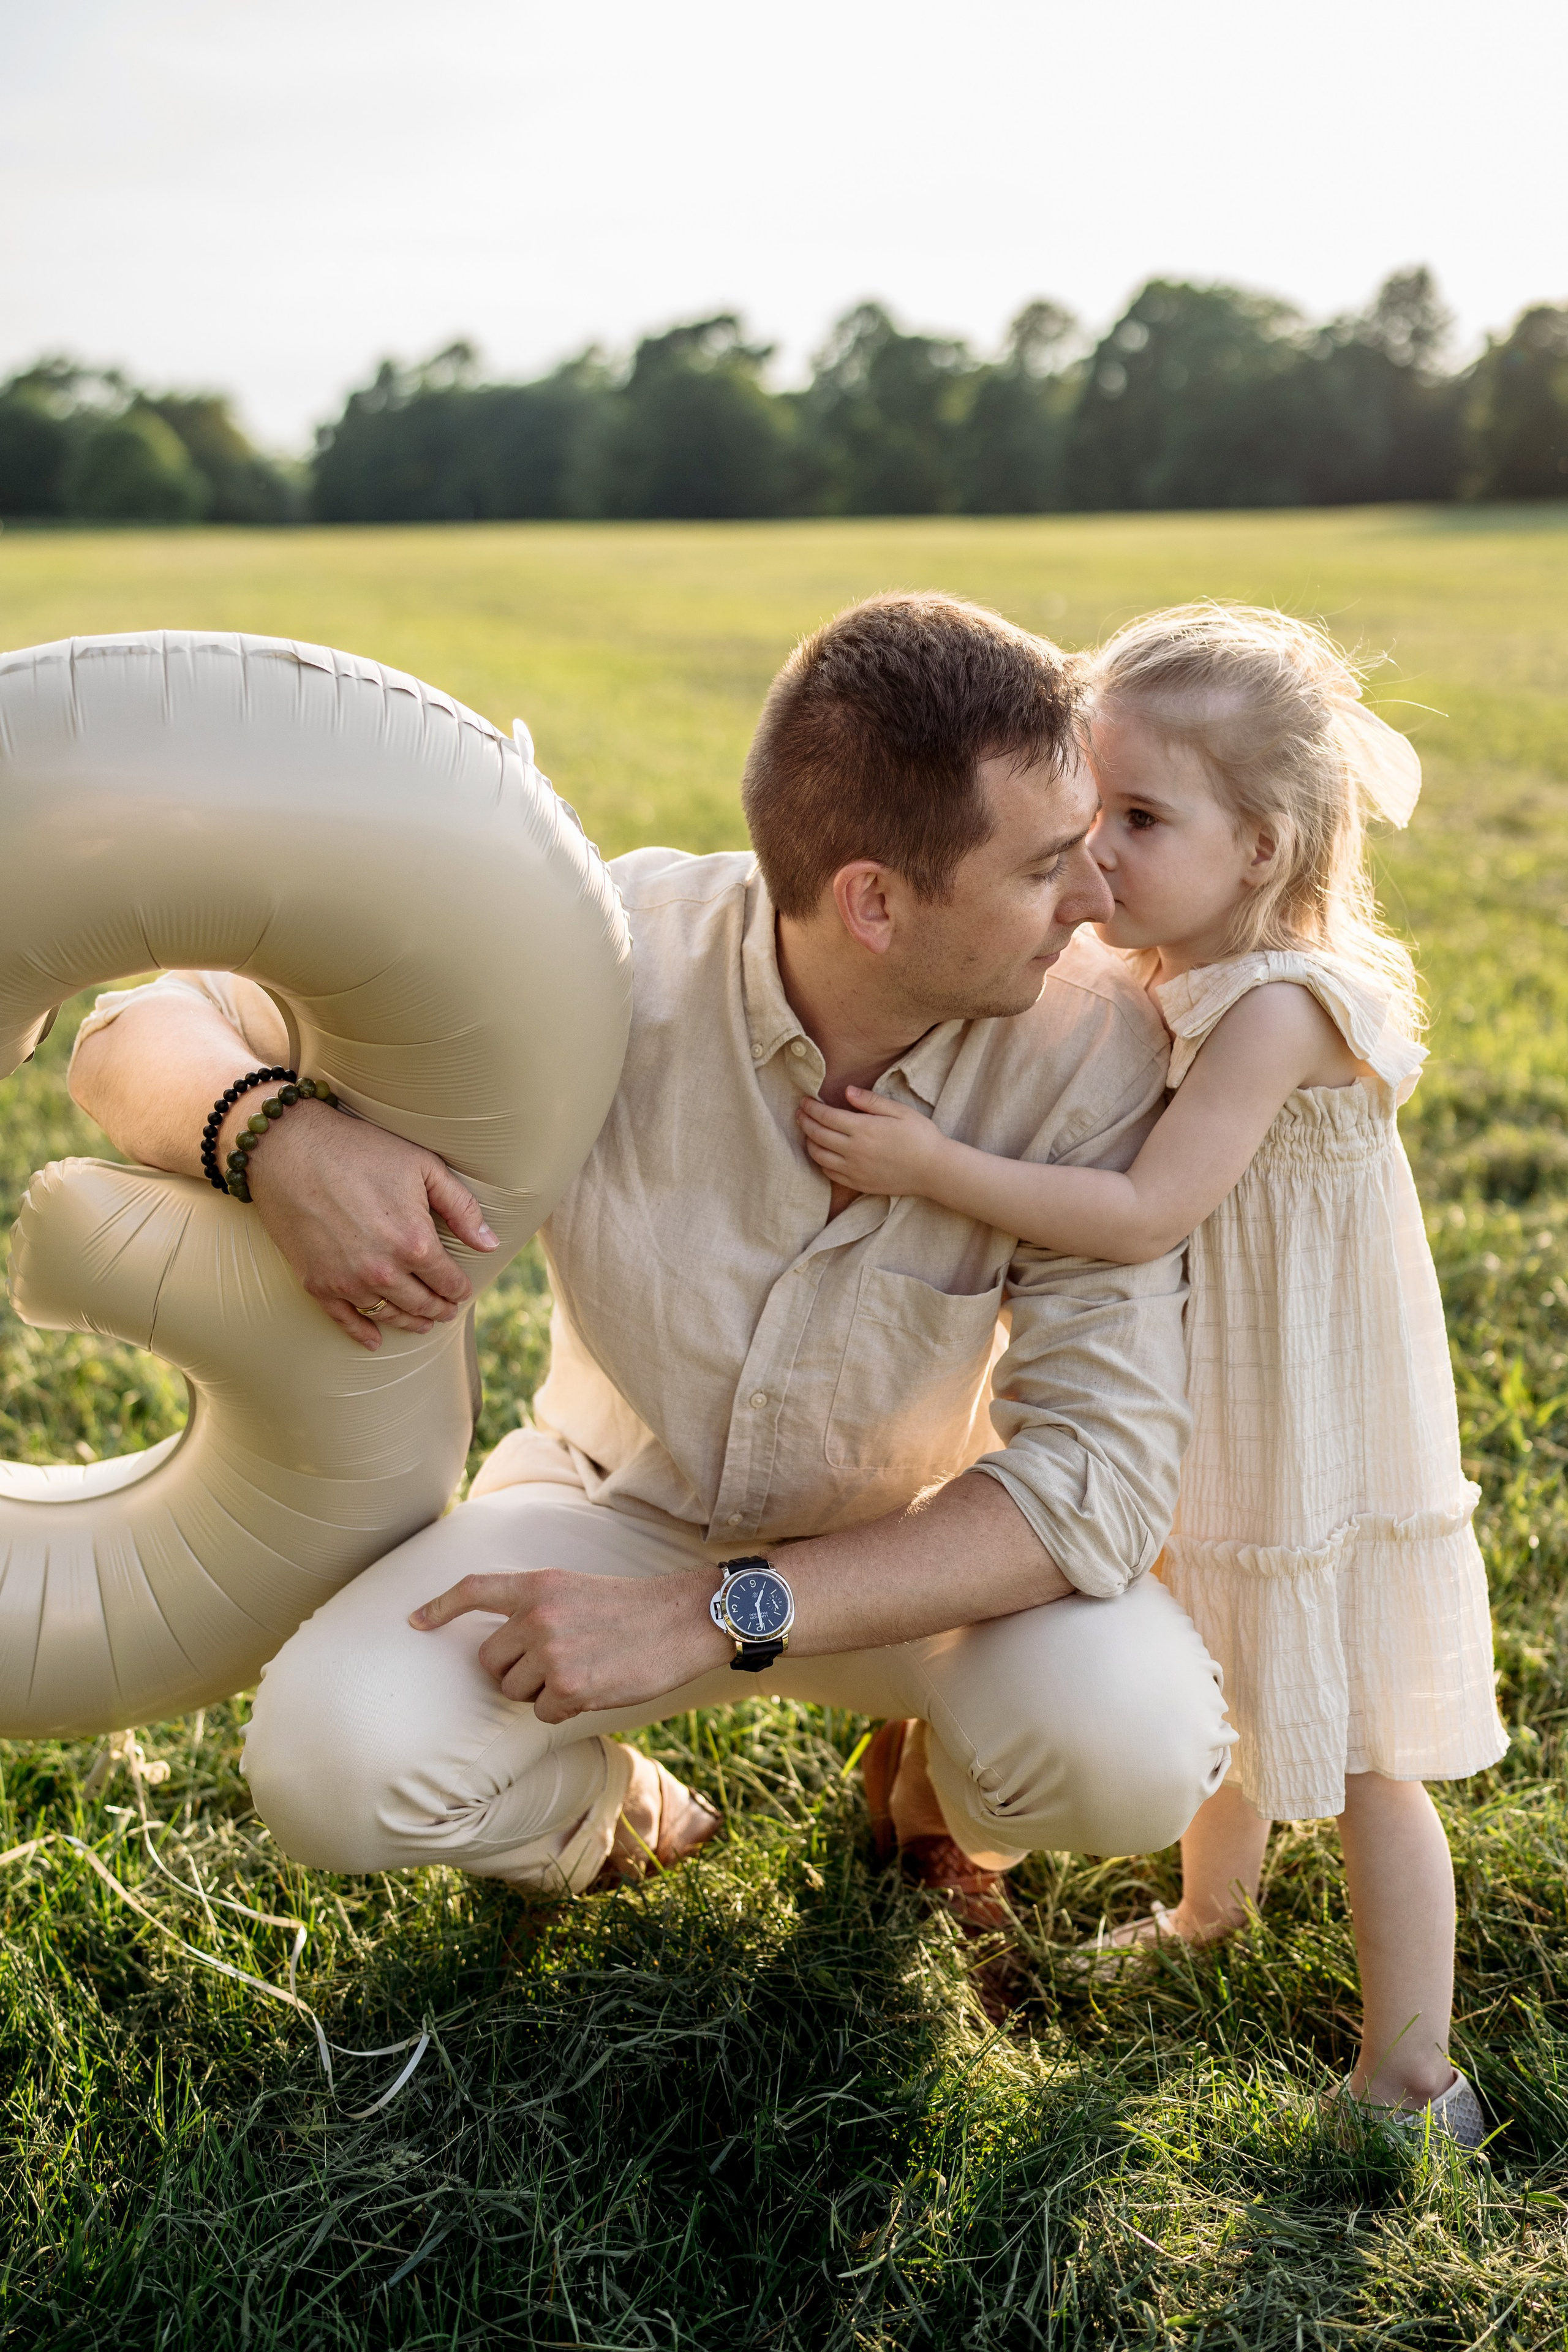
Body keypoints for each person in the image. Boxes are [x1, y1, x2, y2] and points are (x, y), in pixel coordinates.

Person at [69, 592, 1232, 1954]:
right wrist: (275, 1136)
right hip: (606, 1509)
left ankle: (932, 1807)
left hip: (924, 1555)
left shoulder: (1097, 1043)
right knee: (331, 1767)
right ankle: (610, 1817)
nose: (1096, 898)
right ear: (872, 900)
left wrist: (709, 1615)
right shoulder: (593, 954)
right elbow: (134, 1028)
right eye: (1046, 867)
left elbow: (1091, 1485)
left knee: (1131, 1746)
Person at [799, 603, 1505, 2136]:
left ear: (1259, 850)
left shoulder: (1276, 1006)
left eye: (1138, 819)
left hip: (1318, 1415)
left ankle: (1410, 2068)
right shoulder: (1179, 967)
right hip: (1218, 1394)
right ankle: (1208, 1914)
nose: (1093, 857)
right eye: (1084, 811)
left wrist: (933, 1163)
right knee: (1212, 1663)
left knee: (1373, 1747)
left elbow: (1141, 1211)